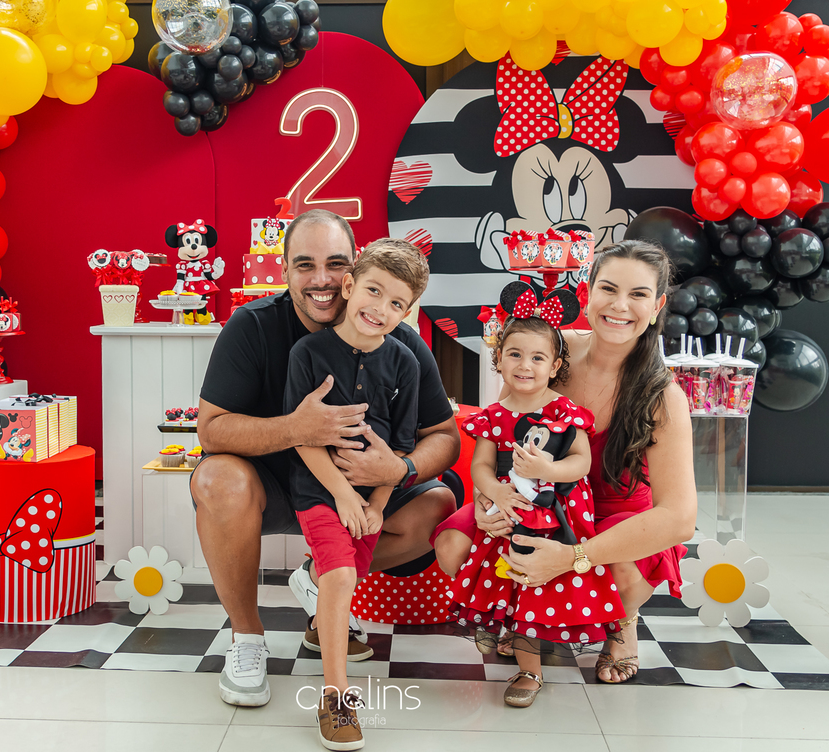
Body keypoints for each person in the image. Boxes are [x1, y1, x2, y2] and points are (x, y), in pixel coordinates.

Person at [192, 210, 461, 709]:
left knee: (440, 505)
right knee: (215, 479)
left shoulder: (398, 337)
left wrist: (397, 470)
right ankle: (247, 638)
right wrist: (296, 428)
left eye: (334, 263)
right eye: (304, 265)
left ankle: (321, 579)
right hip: (270, 486)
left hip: (361, 496)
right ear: (284, 270)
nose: (321, 280)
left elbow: (443, 436)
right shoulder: (253, 327)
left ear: (355, 268)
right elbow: (211, 429)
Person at [435, 239, 696, 684]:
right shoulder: (547, 353)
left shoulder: (662, 395)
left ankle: (622, 622)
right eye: (608, 289)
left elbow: (679, 519)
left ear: (657, 306)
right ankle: (522, 617)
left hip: (613, 512)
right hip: (534, 498)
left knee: (624, 577)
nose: (619, 306)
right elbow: (501, 441)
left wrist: (573, 556)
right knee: (454, 545)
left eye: (637, 295)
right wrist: (488, 499)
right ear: (588, 291)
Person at [446, 281, 624, 708]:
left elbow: (581, 461)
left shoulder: (563, 411)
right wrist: (495, 494)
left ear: (555, 364)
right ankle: (524, 662)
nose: (525, 365)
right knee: (512, 580)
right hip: (513, 510)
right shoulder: (494, 416)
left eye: (537, 357)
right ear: (499, 360)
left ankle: (535, 661)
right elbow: (481, 466)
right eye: (515, 355)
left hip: (559, 515)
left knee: (540, 586)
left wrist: (548, 470)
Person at [285, 238, 429, 750]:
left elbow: (402, 448)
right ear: (349, 285)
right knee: (341, 575)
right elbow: (302, 437)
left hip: (371, 497)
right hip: (319, 491)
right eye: (373, 291)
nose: (381, 309)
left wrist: (375, 504)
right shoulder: (308, 353)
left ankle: (313, 595)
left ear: (408, 311)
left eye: (397, 303)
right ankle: (336, 698)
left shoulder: (406, 363)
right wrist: (345, 498)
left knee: (344, 575)